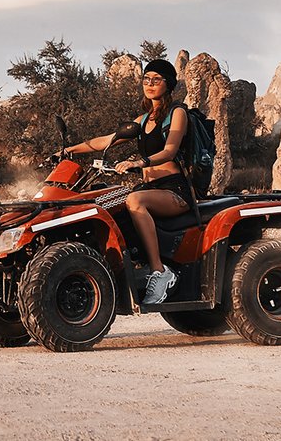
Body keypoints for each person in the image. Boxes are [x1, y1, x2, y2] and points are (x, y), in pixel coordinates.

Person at [63, 59, 189, 304]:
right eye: (146, 79)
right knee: (105, 202)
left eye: (156, 79)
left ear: (169, 84)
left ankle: (160, 271)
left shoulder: (178, 113)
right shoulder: (143, 120)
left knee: (134, 199)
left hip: (174, 189)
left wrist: (139, 163)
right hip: (149, 188)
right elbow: (106, 140)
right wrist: (70, 150)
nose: (150, 84)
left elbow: (170, 151)